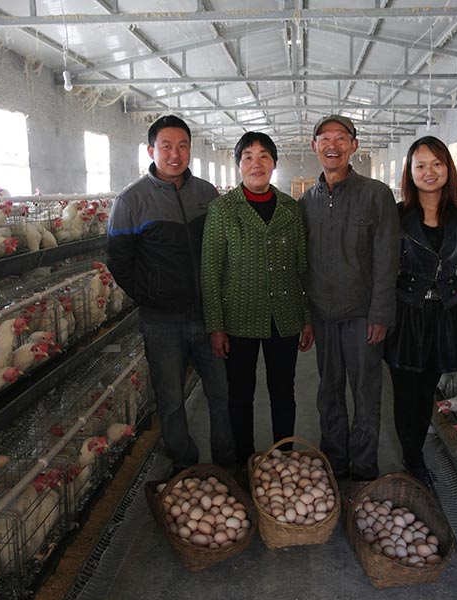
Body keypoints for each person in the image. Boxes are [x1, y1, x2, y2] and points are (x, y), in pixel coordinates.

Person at [107, 115, 235, 476]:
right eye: (166, 146)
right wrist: (151, 295)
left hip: (208, 315)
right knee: (171, 398)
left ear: (190, 149)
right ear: (151, 150)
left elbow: (222, 250)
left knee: (221, 393)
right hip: (161, 320)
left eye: (182, 146)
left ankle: (227, 458)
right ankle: (183, 460)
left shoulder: (207, 194)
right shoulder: (130, 201)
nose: (175, 154)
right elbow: (119, 263)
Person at [201, 132, 314, 467]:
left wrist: (306, 317)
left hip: (285, 316)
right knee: (241, 395)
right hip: (238, 317)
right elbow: (210, 271)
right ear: (238, 165)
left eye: (264, 156)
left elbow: (302, 267)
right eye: (248, 156)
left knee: (283, 392)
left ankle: (284, 458)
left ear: (274, 163)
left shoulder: (291, 209)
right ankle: (244, 462)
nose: (256, 163)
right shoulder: (222, 209)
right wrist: (216, 326)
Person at [299, 115, 400, 481]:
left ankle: (363, 467)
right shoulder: (307, 199)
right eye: (325, 138)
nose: (332, 145)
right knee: (328, 389)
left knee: (366, 390)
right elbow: (303, 261)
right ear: (314, 146)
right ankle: (335, 460)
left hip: (362, 315)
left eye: (341, 138)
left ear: (354, 145)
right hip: (324, 314)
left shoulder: (376, 195)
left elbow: (387, 259)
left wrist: (380, 314)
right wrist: (306, 316)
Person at [384, 136, 457, 486]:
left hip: (442, 315)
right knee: (405, 392)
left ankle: (415, 453)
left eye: (436, 164)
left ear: (447, 169)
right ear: (409, 172)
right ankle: (411, 458)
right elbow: (385, 262)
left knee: (426, 393)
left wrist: (450, 295)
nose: (429, 172)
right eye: (420, 165)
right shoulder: (397, 215)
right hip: (406, 313)